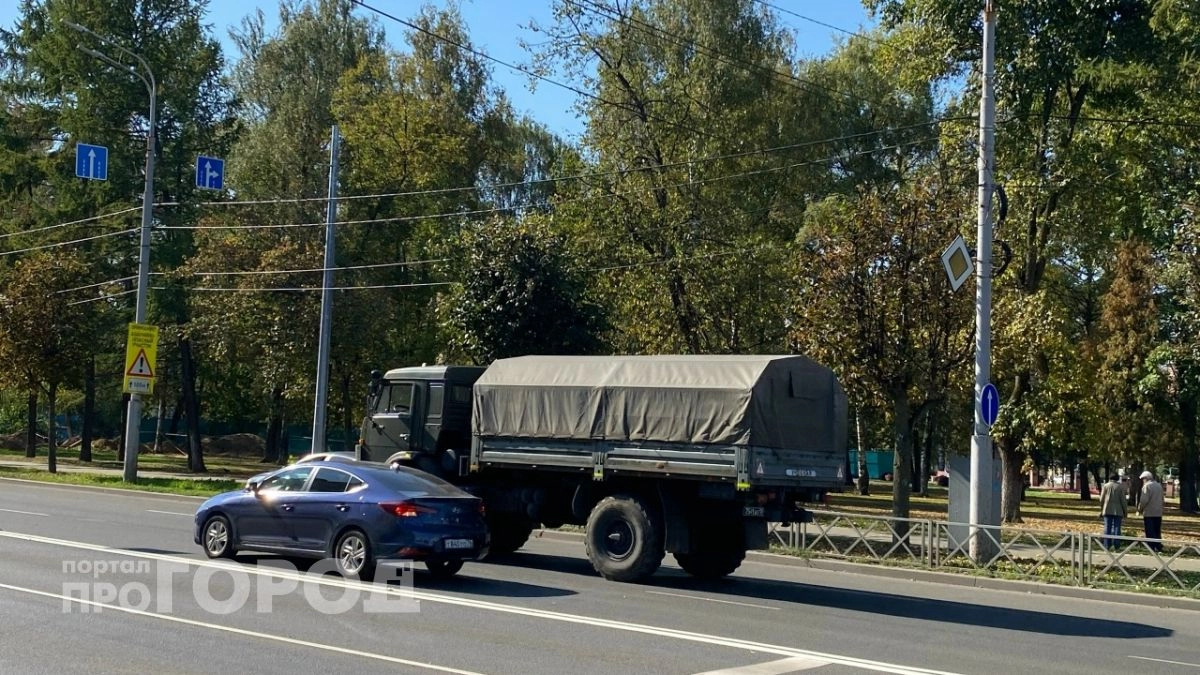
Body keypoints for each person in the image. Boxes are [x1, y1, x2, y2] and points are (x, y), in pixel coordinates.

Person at [1137, 470, 1164, 552]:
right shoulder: (1159, 486)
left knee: (1150, 531)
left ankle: (1151, 547)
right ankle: (1158, 546)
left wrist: (1139, 509)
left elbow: (1144, 500)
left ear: (1146, 478)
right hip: (1158, 512)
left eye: (1143, 479)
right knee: (1157, 530)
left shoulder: (1147, 486)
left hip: (1149, 512)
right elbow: (1162, 499)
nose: (1142, 481)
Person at [1099, 474, 1127, 549]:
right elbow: (1123, 500)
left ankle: (1107, 545)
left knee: (1107, 528)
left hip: (1107, 509)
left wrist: (1102, 508)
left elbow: (1101, 499)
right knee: (1117, 528)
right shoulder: (1120, 487)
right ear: (1117, 479)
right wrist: (1125, 511)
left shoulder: (1105, 486)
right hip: (1118, 510)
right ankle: (1116, 545)